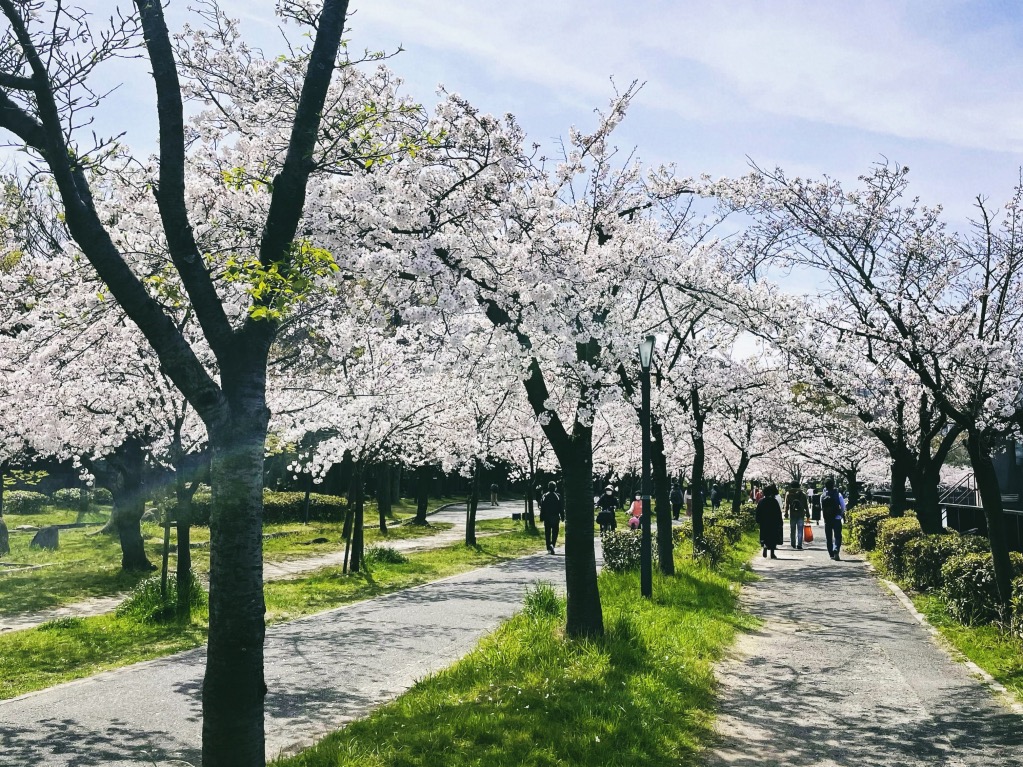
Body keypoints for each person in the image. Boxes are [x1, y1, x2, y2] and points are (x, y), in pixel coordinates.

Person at [755, 483, 784, 559]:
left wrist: (757, 520)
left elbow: (758, 512)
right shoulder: (774, 501)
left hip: (764, 522)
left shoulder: (761, 501)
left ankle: (764, 545)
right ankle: (772, 553)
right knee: (772, 537)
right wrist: (780, 522)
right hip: (773, 522)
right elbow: (778, 513)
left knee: (764, 535)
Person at [821, 478, 846, 560]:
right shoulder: (838, 494)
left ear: (825, 486)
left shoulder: (823, 495)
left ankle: (831, 553)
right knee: (838, 536)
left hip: (827, 519)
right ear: (833, 485)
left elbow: (822, 507)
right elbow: (843, 506)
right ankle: (836, 549)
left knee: (829, 537)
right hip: (837, 517)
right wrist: (841, 513)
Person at [539, 481, 565, 554]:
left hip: (547, 517)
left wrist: (541, 516)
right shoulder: (558, 496)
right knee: (555, 532)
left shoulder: (545, 496)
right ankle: (552, 544)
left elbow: (542, 507)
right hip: (555, 516)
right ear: (555, 488)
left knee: (547, 532)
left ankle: (548, 547)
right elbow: (561, 507)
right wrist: (562, 516)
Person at [784, 481, 809, 550]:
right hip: (801, 514)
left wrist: (786, 513)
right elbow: (806, 505)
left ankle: (793, 543)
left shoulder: (788, 494)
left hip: (792, 514)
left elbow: (786, 505)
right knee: (800, 529)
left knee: (792, 529)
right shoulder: (802, 494)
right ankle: (799, 544)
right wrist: (807, 513)